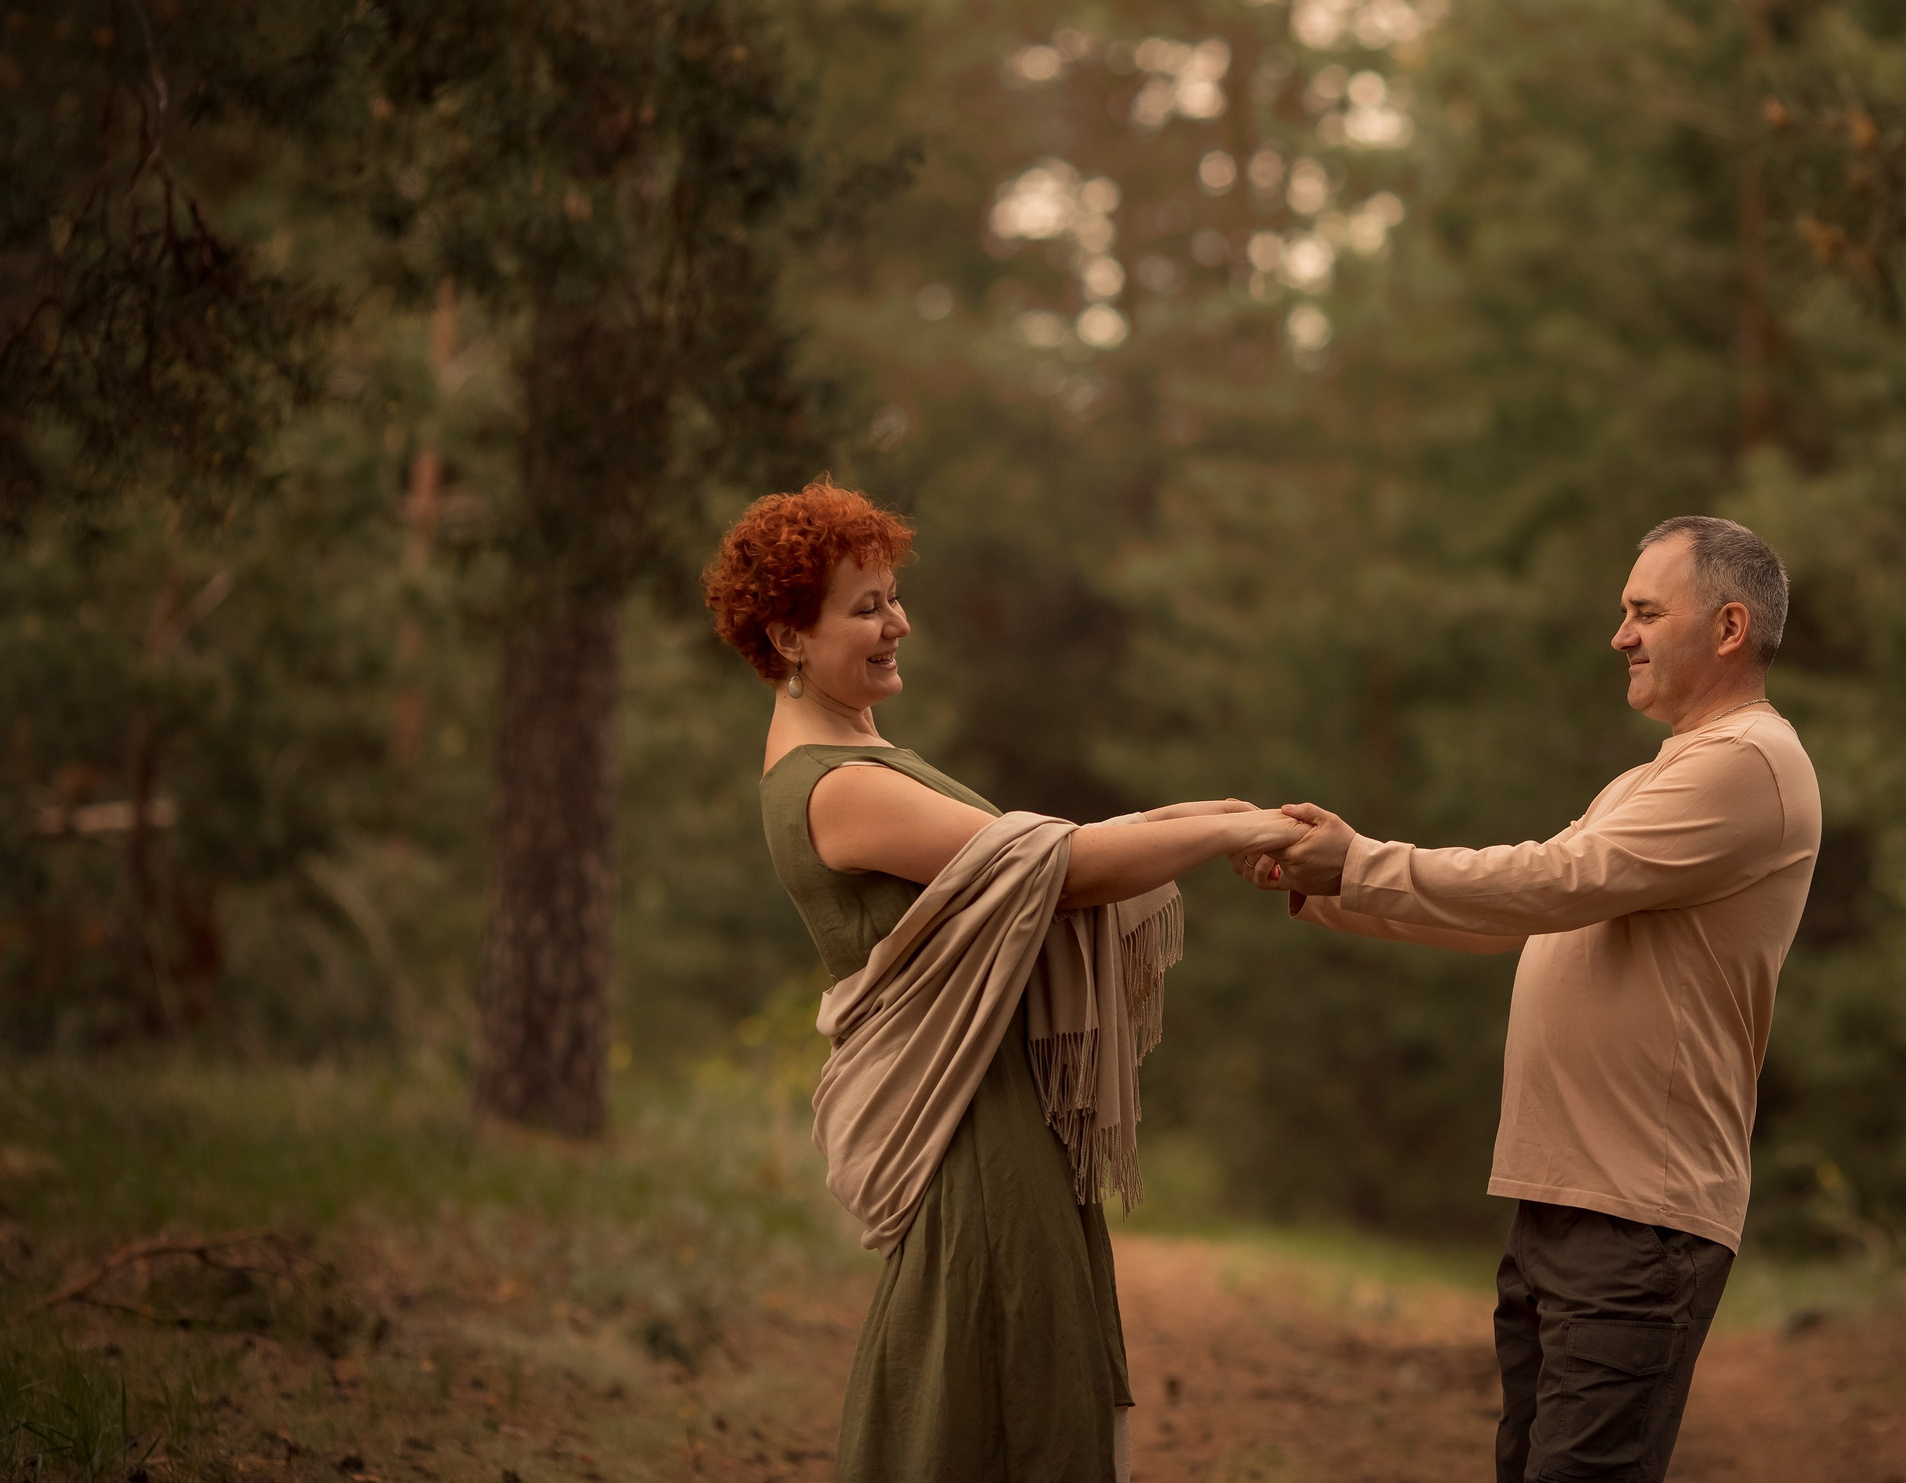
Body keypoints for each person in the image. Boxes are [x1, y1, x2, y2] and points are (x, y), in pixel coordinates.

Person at [702, 478, 1308, 1483]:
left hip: (1000, 1111)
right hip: (971, 1132)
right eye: (865, 608)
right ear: (788, 638)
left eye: (893, 597)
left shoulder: (858, 748)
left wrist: (1198, 813)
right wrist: (1231, 832)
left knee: (1015, 1379)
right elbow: (1056, 873)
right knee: (997, 1397)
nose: (898, 623)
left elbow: (1031, 848)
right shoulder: (836, 790)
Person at [1238, 515, 1821, 1483]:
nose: (1619, 635)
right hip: (1564, 1203)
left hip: (1640, 1218)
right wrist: (1329, 885)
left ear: (1727, 628)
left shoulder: (1747, 762)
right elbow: (1515, 916)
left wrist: (1361, 860)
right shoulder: (1649, 778)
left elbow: (1554, 879)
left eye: (1643, 611)